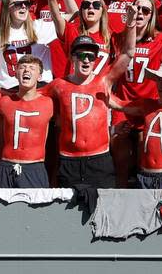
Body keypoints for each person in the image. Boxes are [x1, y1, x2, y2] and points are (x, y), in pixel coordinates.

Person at [44, 21, 135, 188]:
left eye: (91, 56)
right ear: (72, 58)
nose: (86, 60)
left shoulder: (104, 81)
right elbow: (32, 99)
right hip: (69, 160)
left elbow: (128, 53)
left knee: (100, 209)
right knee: (69, 211)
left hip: (99, 160)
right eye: (81, 56)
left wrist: (131, 25)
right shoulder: (57, 85)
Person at [0, 55, 54, 188]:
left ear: (40, 76)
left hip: (34, 167)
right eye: (22, 67)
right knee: (4, 209)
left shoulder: (49, 103)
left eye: (32, 68)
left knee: (36, 209)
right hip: (6, 166)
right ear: (15, 73)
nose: (26, 71)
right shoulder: (5, 102)